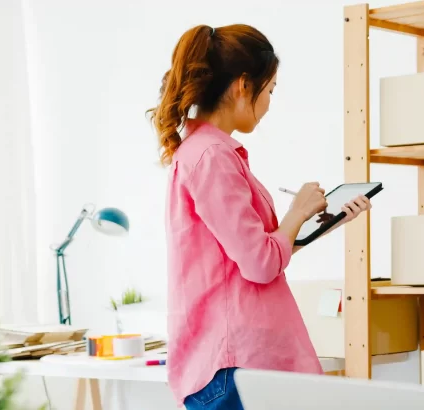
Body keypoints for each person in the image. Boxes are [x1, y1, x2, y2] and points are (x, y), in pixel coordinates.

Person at [148, 24, 371, 410]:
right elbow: (259, 264)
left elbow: (251, 257)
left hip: (232, 366)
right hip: (235, 367)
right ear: (242, 86)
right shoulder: (212, 158)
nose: (269, 103)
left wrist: (312, 224)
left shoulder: (204, 154)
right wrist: (297, 211)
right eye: (269, 91)